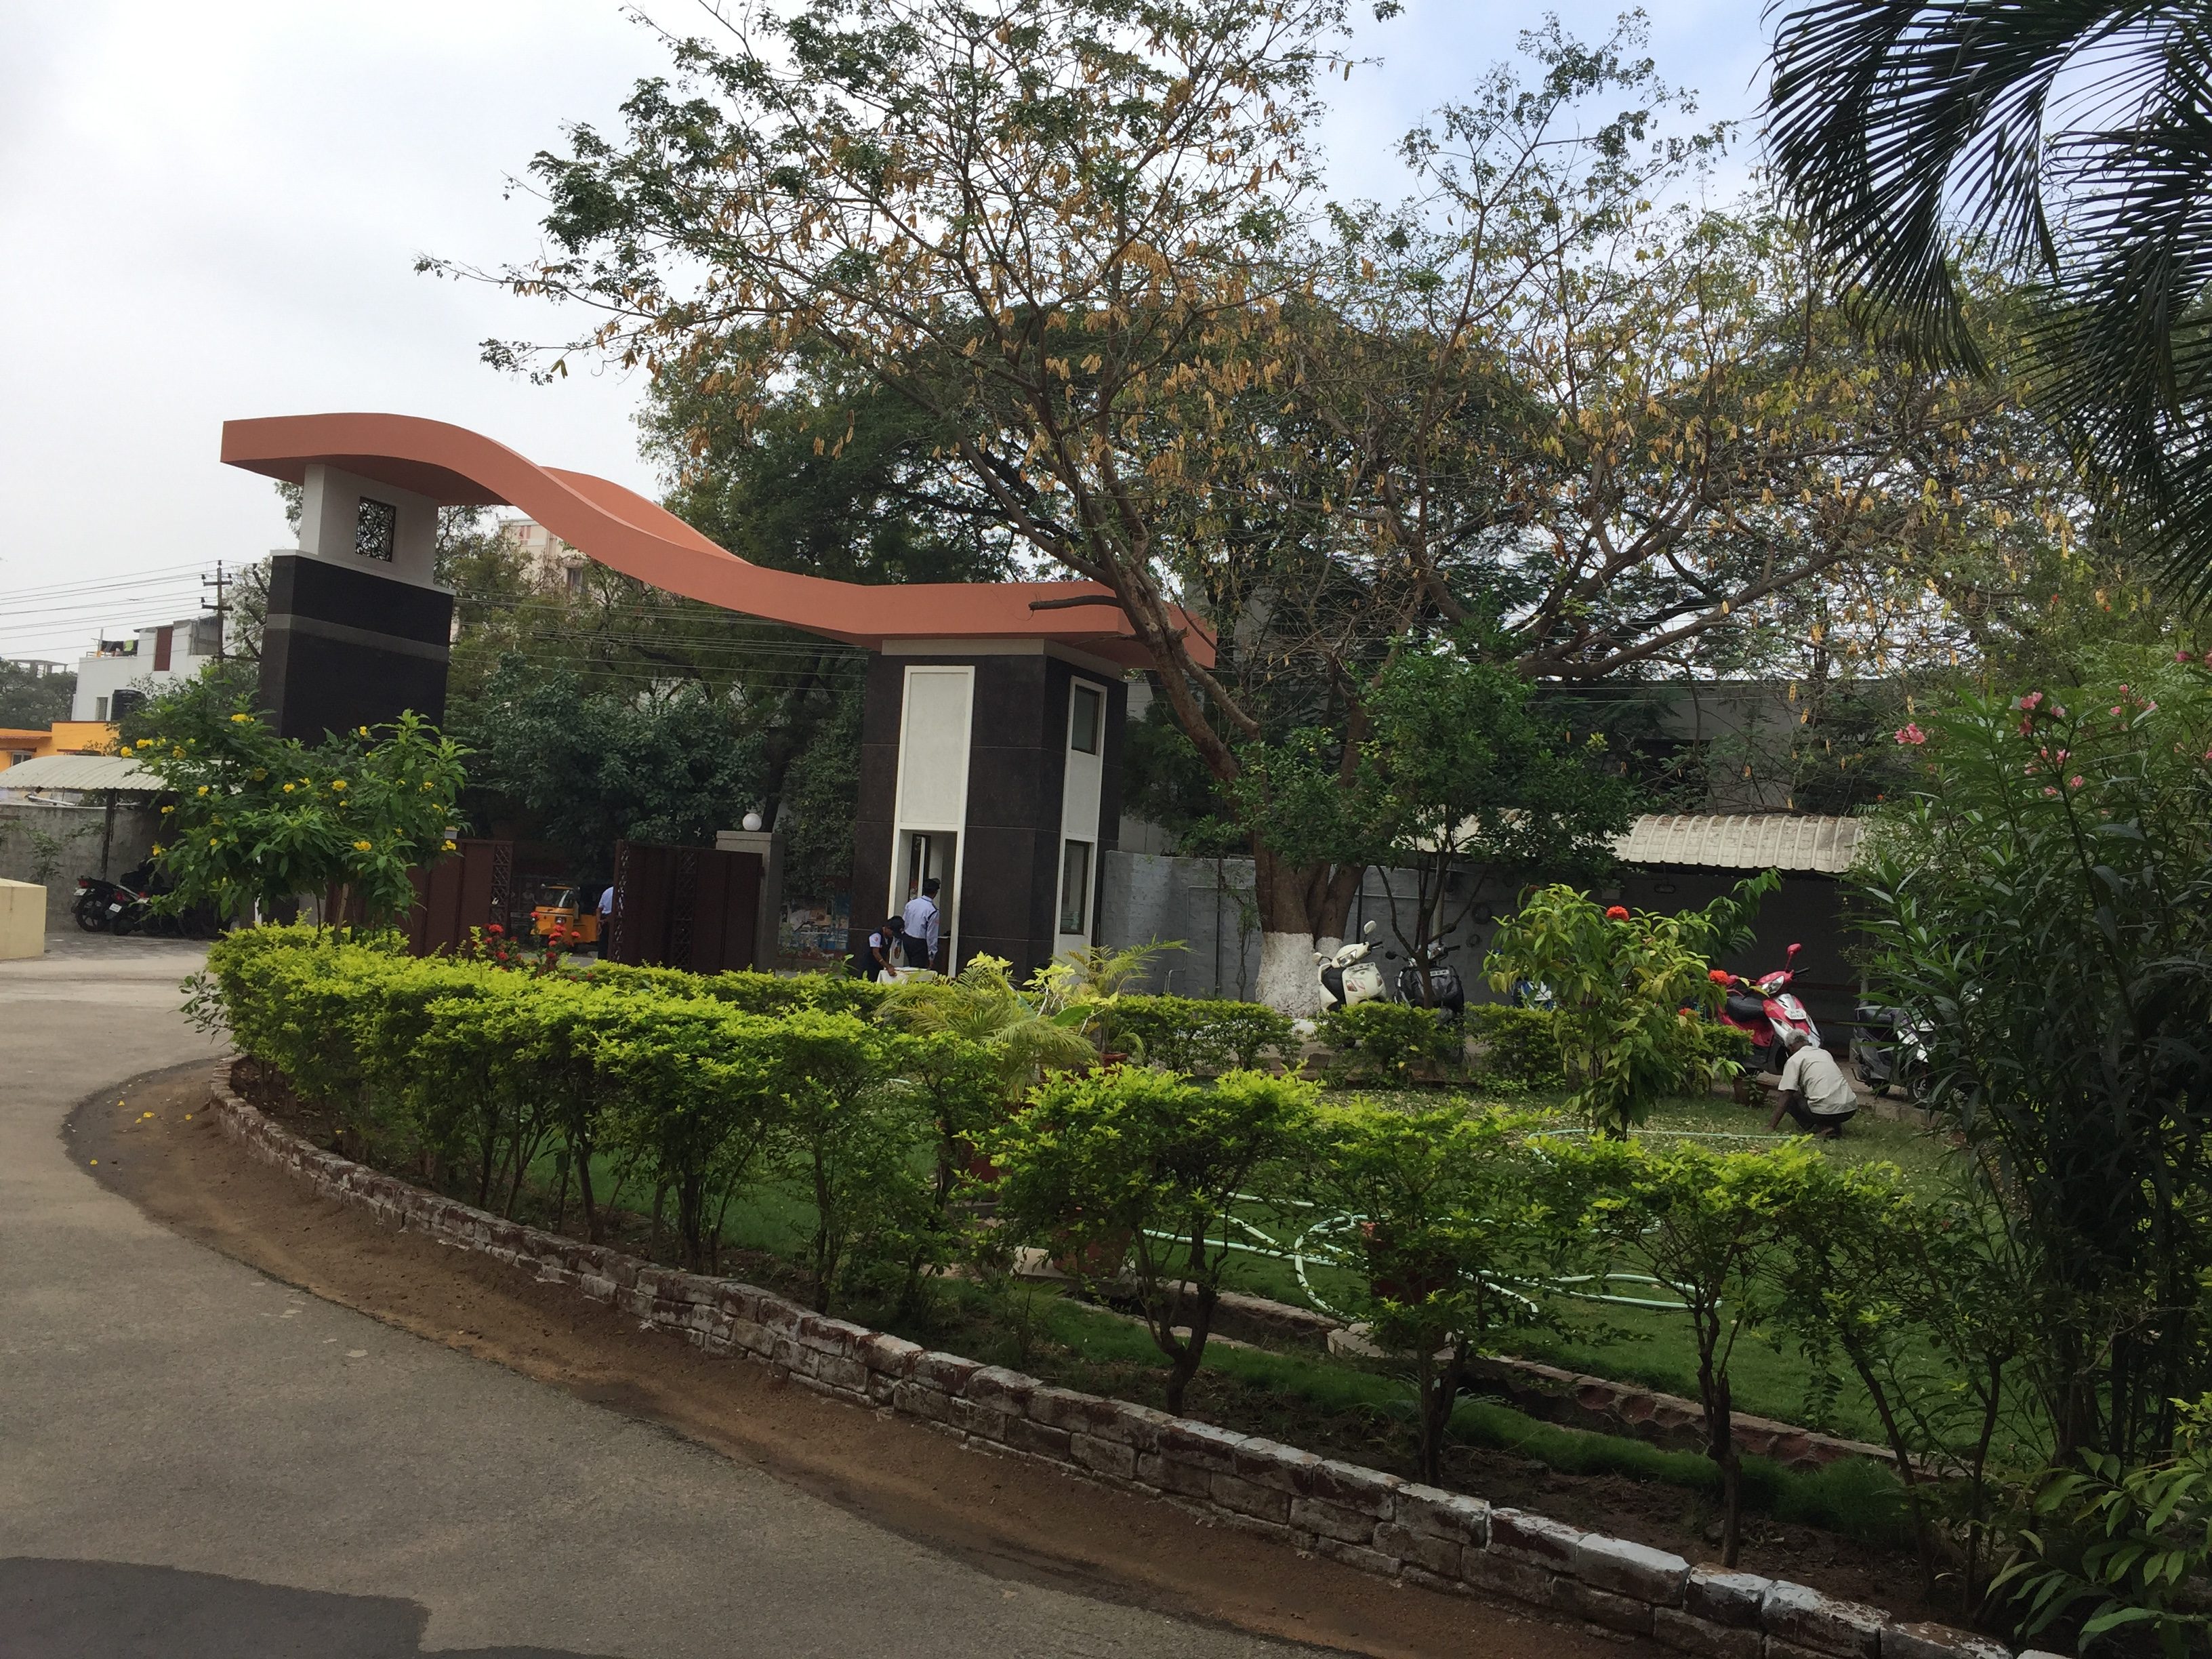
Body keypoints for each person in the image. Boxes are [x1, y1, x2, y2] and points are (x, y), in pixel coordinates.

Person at [1767, 1027, 1859, 1139]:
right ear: (1807, 1042)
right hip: (1850, 1109)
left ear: (1791, 1047)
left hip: (1826, 1111)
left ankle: (1824, 1128)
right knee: (1818, 1093)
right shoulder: (1825, 1053)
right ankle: (1834, 1127)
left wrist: (1771, 1126)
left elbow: (1787, 1093)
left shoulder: (1794, 1060)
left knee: (1791, 1096)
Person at [901, 877, 942, 972]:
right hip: (920, 943)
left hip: (907, 939)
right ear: (935, 893)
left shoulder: (911, 904)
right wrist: (932, 955)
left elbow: (904, 923)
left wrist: (899, 942)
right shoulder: (933, 911)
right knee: (917, 971)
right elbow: (931, 936)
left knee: (912, 967)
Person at [860, 915, 907, 981]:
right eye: (893, 933)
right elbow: (876, 953)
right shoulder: (876, 935)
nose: (892, 935)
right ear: (888, 928)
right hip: (869, 966)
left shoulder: (889, 937)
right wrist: (887, 967)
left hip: (879, 966)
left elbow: (886, 951)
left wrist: (887, 964)